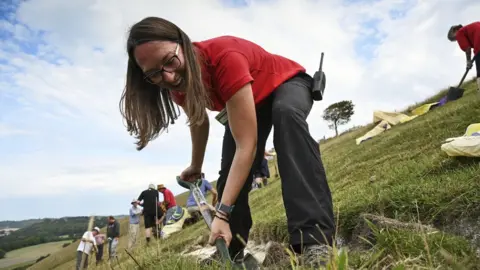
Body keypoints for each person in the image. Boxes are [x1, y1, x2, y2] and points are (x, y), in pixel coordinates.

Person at [120, 17, 335, 267]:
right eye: (154, 74)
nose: (168, 76)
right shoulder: (175, 84)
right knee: (229, 171)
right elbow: (199, 121)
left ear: (183, 43)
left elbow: (248, 146)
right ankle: (231, 249)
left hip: (287, 83)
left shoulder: (225, 58)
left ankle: (314, 240)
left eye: (169, 61)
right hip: (252, 100)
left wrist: (221, 213)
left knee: (286, 117)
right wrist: (196, 166)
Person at [448, 22, 480, 91]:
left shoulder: (459, 32)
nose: (457, 40)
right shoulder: (471, 27)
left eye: (454, 38)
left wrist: (468, 61)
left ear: (455, 31)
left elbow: (467, 49)